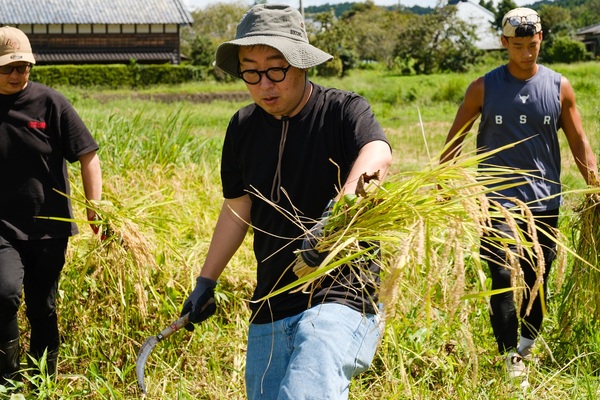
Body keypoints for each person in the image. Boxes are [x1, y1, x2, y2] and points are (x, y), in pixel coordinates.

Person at [179, 4, 392, 399]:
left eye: (277, 68)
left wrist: (333, 222)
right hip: (271, 302)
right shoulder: (242, 126)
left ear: (302, 63)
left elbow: (377, 155)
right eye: (251, 71)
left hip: (340, 295)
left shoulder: (343, 111)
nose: (265, 84)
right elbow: (237, 209)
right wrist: (206, 282)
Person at [440, 7, 599, 379]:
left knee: (535, 277)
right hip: (497, 203)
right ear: (504, 44)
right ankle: (509, 357)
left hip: (544, 202)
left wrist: (595, 187)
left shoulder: (559, 87)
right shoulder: (483, 87)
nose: (527, 54)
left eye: (532, 45)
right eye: (518, 46)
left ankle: (525, 346)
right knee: (500, 275)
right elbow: (455, 139)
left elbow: (580, 143)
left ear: (541, 39)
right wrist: (441, 181)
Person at [0, 26, 103, 385]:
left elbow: (87, 154)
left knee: (43, 307)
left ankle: (43, 380)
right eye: (8, 68)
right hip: (2, 226)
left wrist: (95, 206)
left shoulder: (51, 103)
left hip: (48, 224)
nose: (17, 74)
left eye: (24, 66)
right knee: (4, 293)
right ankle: (8, 380)